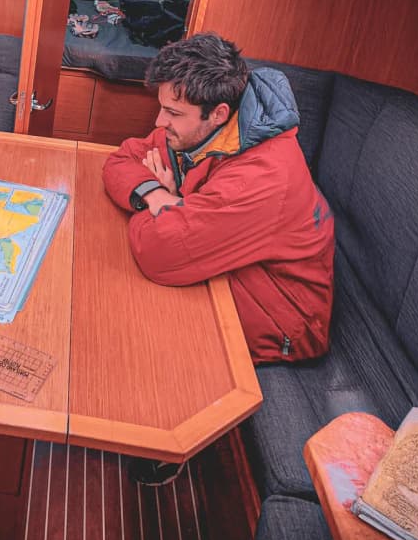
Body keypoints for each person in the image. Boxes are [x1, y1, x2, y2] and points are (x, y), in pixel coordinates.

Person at [102, 33, 334, 485]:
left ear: (220, 113)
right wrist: (155, 194)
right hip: (241, 267)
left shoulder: (261, 176)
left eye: (172, 113)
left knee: (148, 299)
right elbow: (123, 158)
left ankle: (169, 443)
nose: (159, 120)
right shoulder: (208, 129)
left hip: (284, 316)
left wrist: (171, 203)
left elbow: (159, 253)